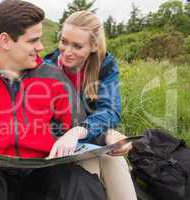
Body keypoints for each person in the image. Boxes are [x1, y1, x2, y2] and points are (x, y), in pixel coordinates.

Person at [0, 1, 106, 200]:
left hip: (45, 172)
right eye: (33, 41)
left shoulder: (54, 78)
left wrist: (106, 137)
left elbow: (80, 128)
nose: (41, 47)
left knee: (79, 181)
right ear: (6, 41)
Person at [44, 11, 137, 200]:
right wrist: (99, 134)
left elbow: (110, 110)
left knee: (114, 162)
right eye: (64, 41)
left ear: (93, 46)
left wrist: (83, 131)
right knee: (90, 165)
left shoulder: (106, 65)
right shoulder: (46, 68)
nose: (67, 51)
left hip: (91, 142)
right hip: (61, 150)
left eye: (77, 46)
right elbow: (43, 120)